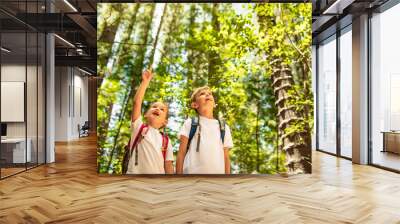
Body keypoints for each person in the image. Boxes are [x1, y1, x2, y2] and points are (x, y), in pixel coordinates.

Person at [125, 69, 174, 174]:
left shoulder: (166, 141)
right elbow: (137, 103)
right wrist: (145, 82)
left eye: (162, 109)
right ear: (146, 114)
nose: (157, 109)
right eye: (154, 107)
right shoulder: (139, 128)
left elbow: (168, 165)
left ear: (164, 122)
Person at [176, 86, 233, 174]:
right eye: (202, 94)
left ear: (214, 104)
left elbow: (226, 158)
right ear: (195, 105)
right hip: (191, 179)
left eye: (210, 94)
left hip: (217, 181)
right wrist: (178, 180)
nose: (207, 95)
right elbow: (181, 153)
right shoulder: (190, 123)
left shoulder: (224, 128)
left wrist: (227, 181)